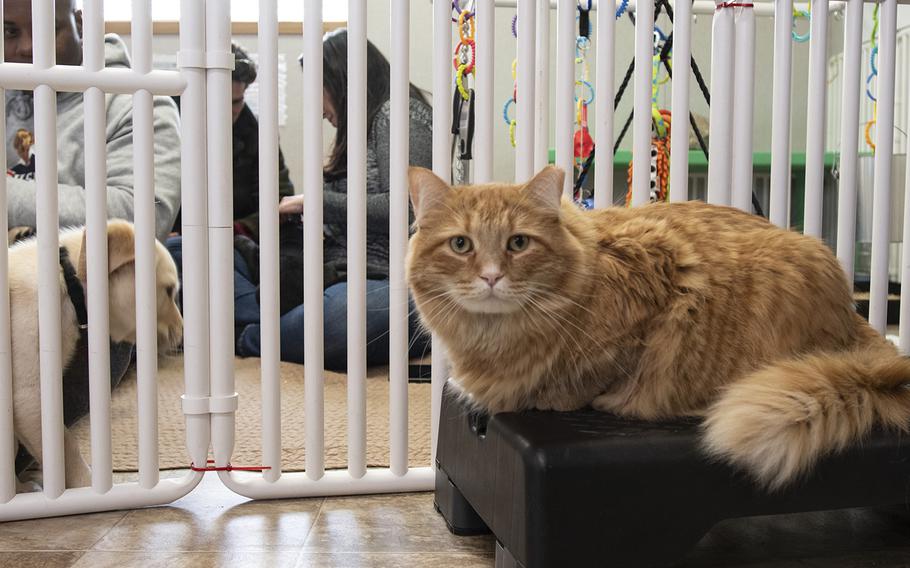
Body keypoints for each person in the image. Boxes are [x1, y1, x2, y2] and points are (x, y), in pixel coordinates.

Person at [3, 0, 181, 472]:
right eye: (9, 32)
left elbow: (137, 215)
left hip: (84, 308)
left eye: (46, 29)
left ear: (80, 22)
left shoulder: (137, 100)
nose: (25, 49)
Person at [232, 29, 433, 369]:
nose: (319, 108)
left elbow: (406, 207)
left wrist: (315, 201)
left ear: (341, 81)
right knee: (196, 251)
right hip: (332, 270)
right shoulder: (356, 130)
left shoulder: (398, 114)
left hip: (385, 278)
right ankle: (275, 320)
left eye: (319, 91)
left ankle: (246, 332)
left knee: (337, 318)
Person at [170, 41, 295, 241]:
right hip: (173, 240)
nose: (229, 112)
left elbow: (280, 201)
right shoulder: (167, 124)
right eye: (219, 102)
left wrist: (235, 231)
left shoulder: (258, 134)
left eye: (236, 102)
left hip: (236, 242)